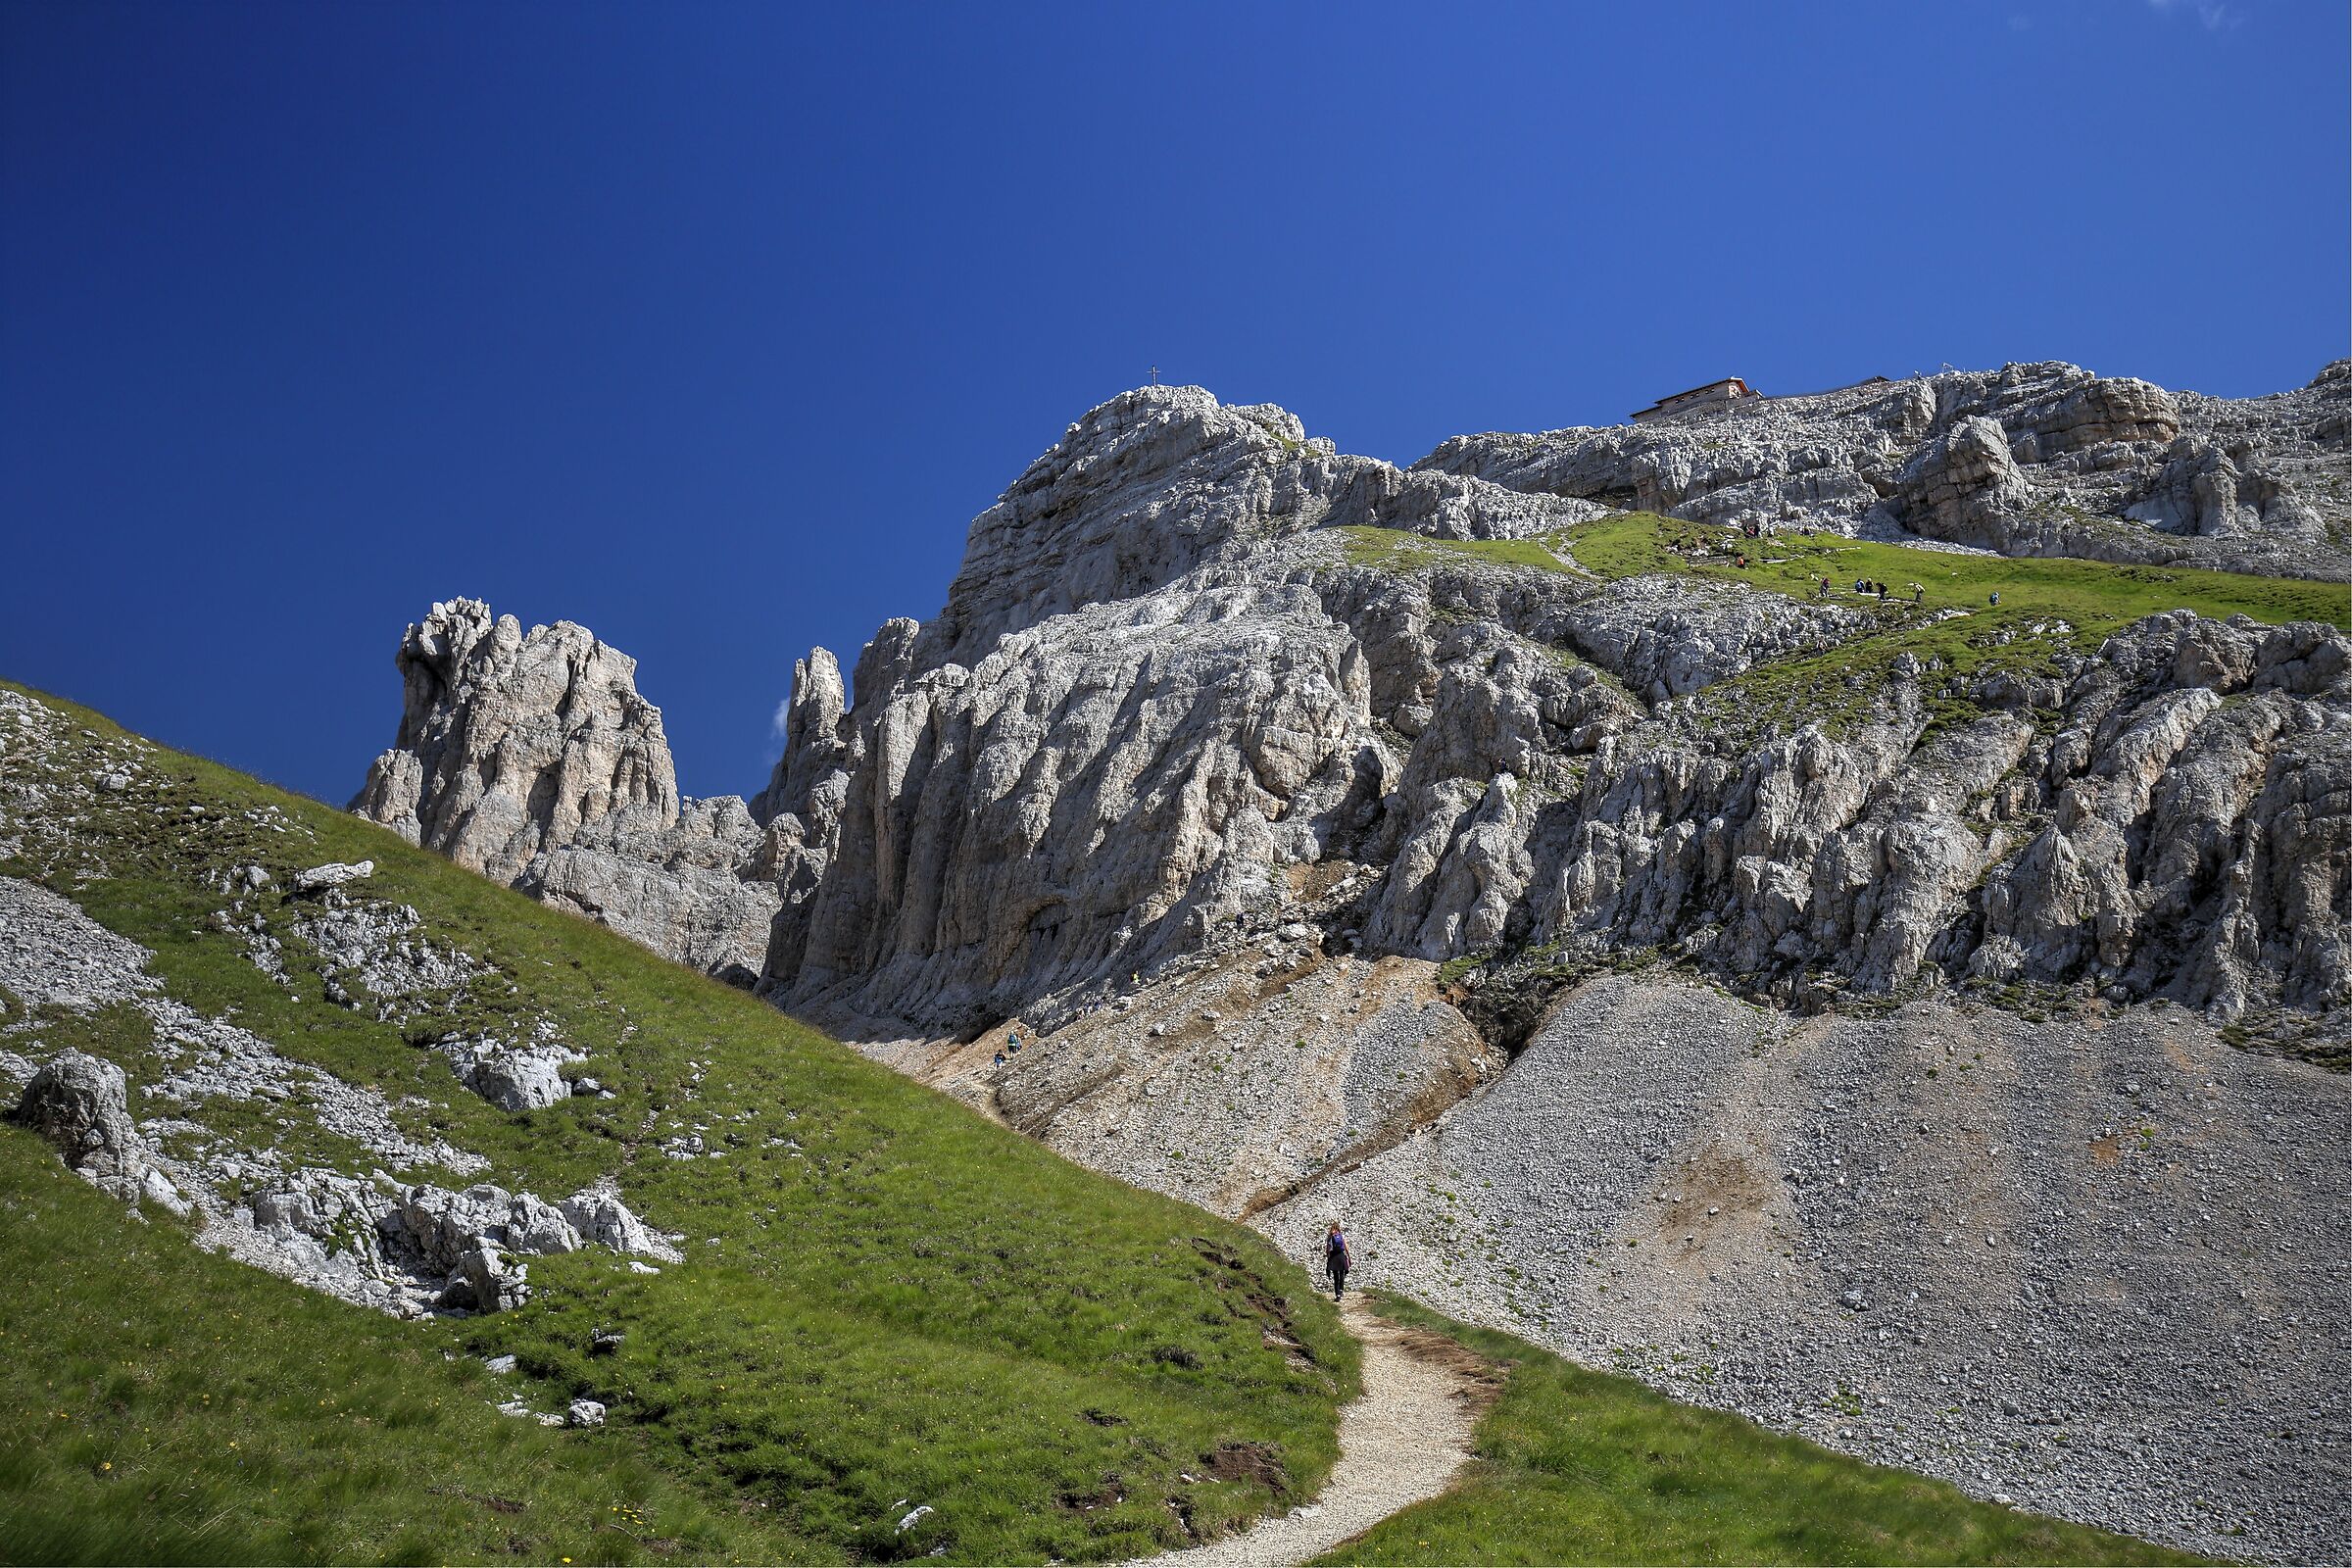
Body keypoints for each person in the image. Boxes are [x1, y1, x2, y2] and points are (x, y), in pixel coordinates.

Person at [1323, 1221, 1350, 1301]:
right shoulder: (1341, 1236)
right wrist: (1349, 1258)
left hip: (1333, 1256)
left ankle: (1337, 1295)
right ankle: (1341, 1289)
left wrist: (1328, 1256)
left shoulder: (1330, 1237)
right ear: (1338, 1228)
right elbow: (1346, 1247)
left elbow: (1328, 1249)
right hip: (1341, 1255)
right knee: (1342, 1273)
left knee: (1335, 1276)